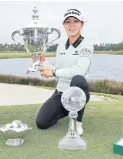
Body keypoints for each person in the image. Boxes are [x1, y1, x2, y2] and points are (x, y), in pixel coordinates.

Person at [35, 8, 94, 136]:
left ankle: (77, 121)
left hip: (79, 92)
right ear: (64, 25)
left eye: (75, 21)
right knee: (42, 122)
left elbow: (80, 70)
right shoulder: (61, 46)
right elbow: (58, 70)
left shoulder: (87, 44)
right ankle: (67, 110)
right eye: (68, 22)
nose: (71, 25)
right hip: (61, 92)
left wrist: (54, 72)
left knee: (78, 78)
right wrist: (44, 62)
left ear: (81, 24)